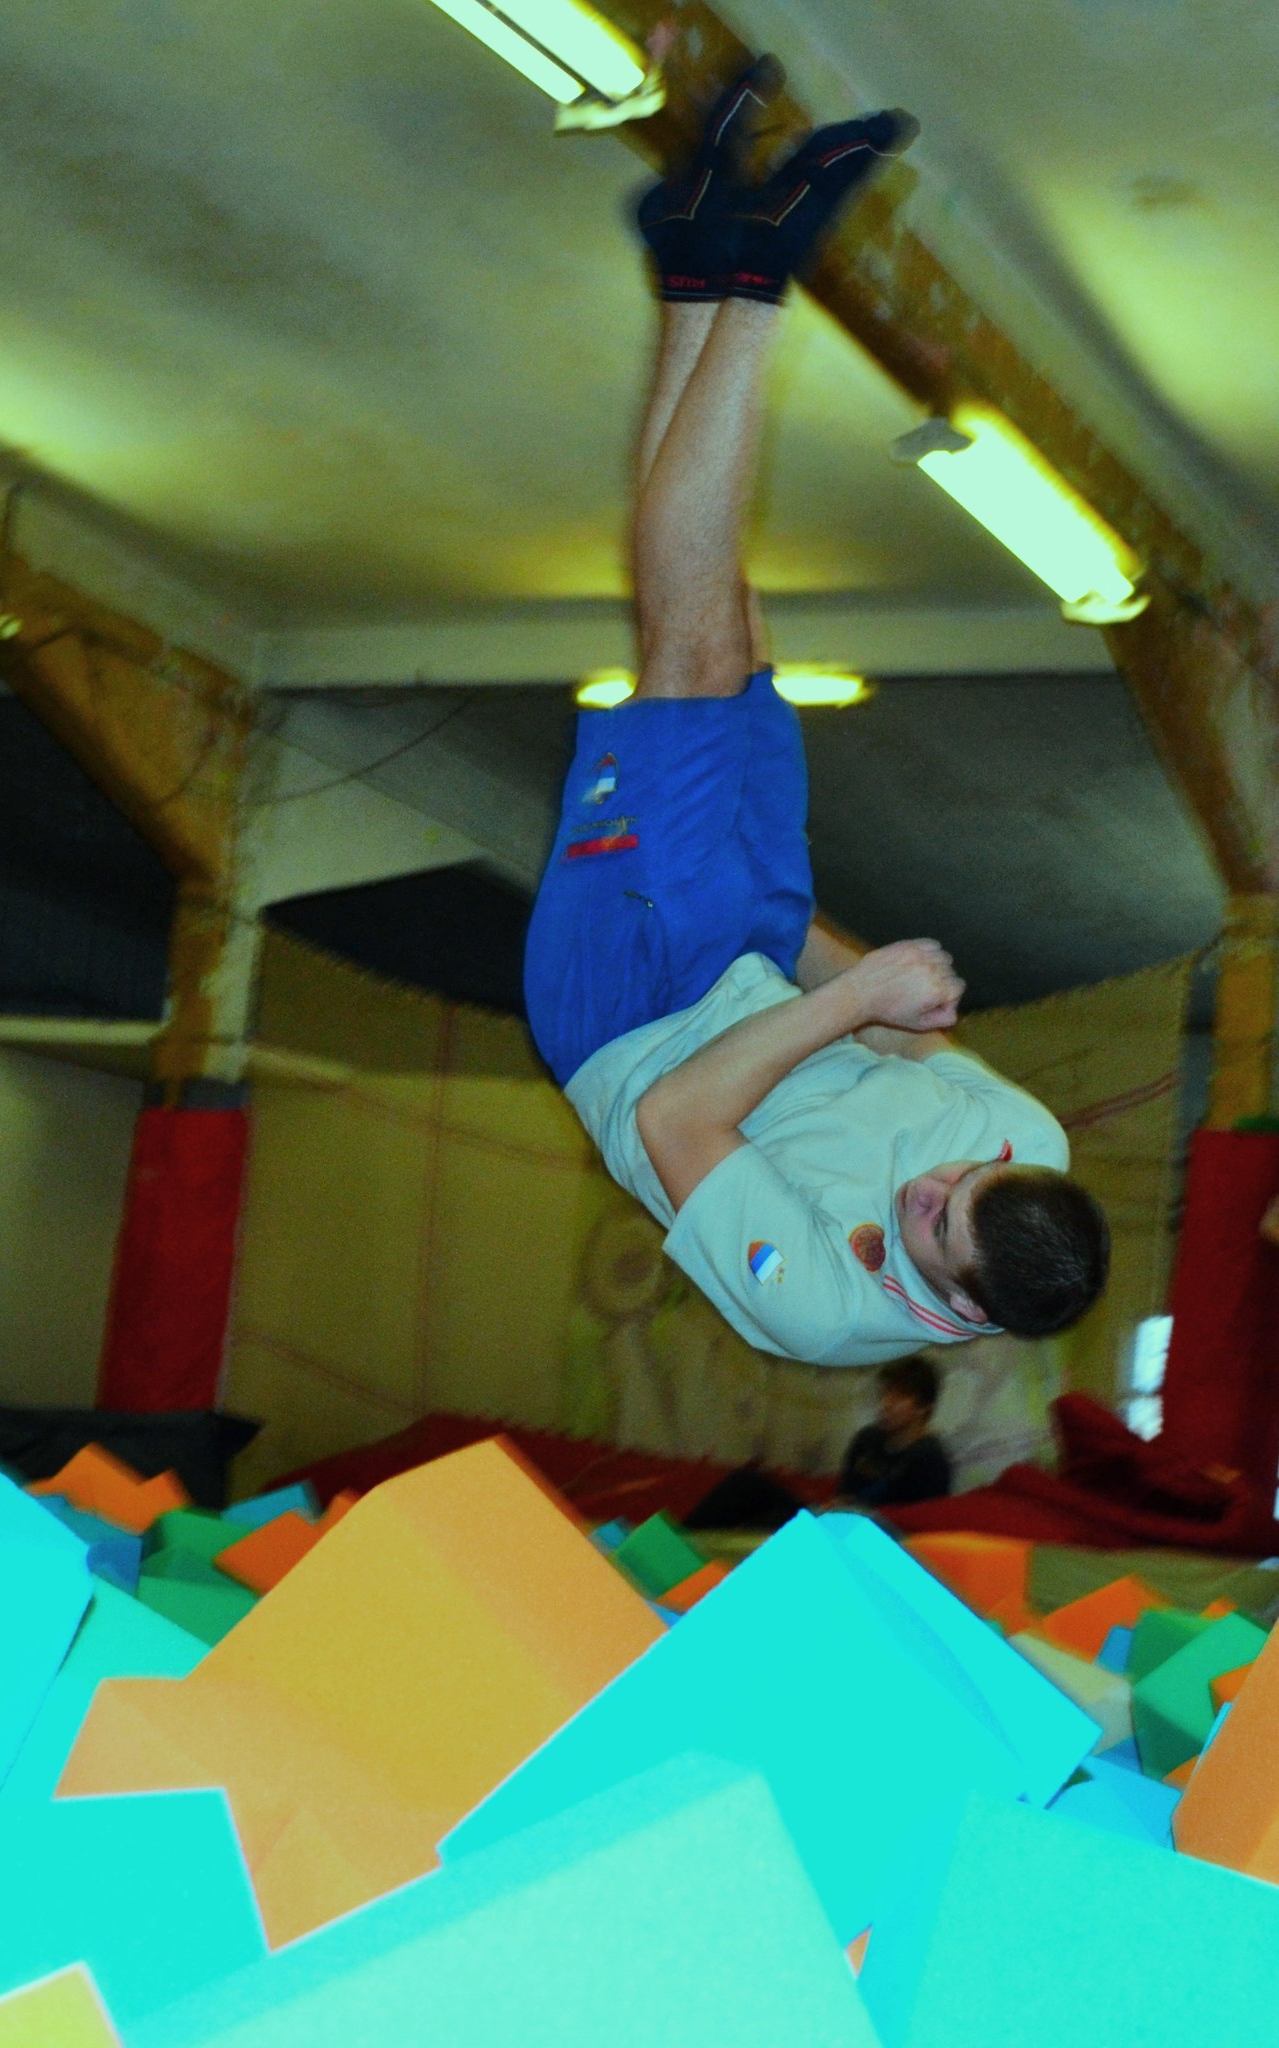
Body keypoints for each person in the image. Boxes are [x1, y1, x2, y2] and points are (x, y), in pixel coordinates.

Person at [524, 61, 1110, 1371]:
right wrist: (857, 976)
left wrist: (848, 1004)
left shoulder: (825, 1311)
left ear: (960, 1307)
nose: (932, 1186)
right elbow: (909, 1046)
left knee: (687, 652)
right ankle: (688, 267)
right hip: (751, 960)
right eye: (964, 1179)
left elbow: (680, 1122)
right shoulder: (1029, 1147)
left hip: (626, 1014)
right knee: (727, 631)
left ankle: (756, 279)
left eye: (933, 1222)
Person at [837, 1356, 951, 1507]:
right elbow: (844, 1493)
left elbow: (923, 1515)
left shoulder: (929, 1460)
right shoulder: (866, 1440)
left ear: (923, 1407)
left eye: (898, 1397)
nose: (885, 1404)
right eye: (884, 1394)